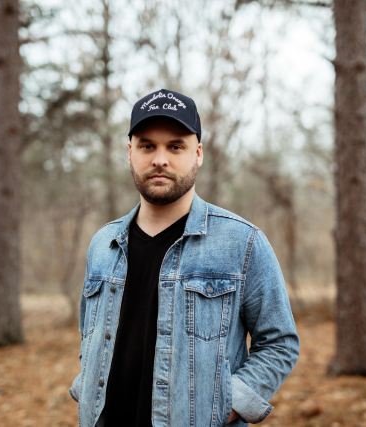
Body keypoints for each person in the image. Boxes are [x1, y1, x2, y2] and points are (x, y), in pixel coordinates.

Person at [69, 89, 299, 427]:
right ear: (130, 153)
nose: (160, 159)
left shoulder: (243, 242)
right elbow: (90, 339)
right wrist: (85, 388)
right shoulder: (103, 243)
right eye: (147, 145)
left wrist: (226, 405)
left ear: (198, 154)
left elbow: (279, 343)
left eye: (175, 146)